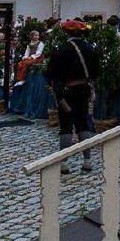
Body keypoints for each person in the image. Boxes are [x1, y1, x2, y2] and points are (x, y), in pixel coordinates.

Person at [44, 20, 99, 174]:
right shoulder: (90, 49)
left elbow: (50, 74)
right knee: (83, 124)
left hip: (65, 92)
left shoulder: (60, 49)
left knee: (66, 126)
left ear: (66, 33)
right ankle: (87, 161)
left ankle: (64, 164)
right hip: (84, 90)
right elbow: (96, 73)